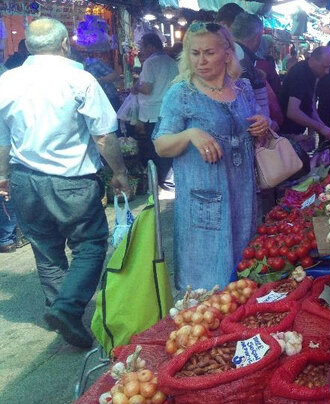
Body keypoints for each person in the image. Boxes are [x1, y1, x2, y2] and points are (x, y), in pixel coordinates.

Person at [0, 18, 131, 348]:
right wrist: (119, 172)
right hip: (71, 181)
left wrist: (2, 176)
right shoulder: (80, 79)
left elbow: (2, 140)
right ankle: (67, 309)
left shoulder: (7, 81)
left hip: (24, 181)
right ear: (64, 45)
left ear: (28, 47)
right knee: (89, 245)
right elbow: (103, 136)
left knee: (46, 252)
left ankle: (61, 312)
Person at [152, 22, 270, 291]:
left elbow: (257, 129)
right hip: (203, 202)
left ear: (227, 54)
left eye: (209, 53)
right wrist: (190, 134)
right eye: (195, 53)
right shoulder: (181, 93)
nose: (201, 61)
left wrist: (263, 124)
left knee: (243, 276)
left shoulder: (243, 89)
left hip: (242, 196)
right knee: (207, 284)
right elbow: (161, 145)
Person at [134, 33, 178, 186]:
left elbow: (146, 88)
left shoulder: (149, 63)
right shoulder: (172, 62)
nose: (141, 51)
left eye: (142, 47)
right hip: (170, 110)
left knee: (155, 147)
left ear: (151, 46)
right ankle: (168, 179)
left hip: (152, 113)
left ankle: (159, 180)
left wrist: (135, 87)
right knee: (169, 145)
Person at [278, 47, 330, 150]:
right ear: (313, 60)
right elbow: (292, 111)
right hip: (286, 133)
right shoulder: (300, 74)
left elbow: (311, 104)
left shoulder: (313, 73)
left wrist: (323, 127)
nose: (327, 72)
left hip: (297, 132)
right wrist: (320, 128)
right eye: (325, 67)